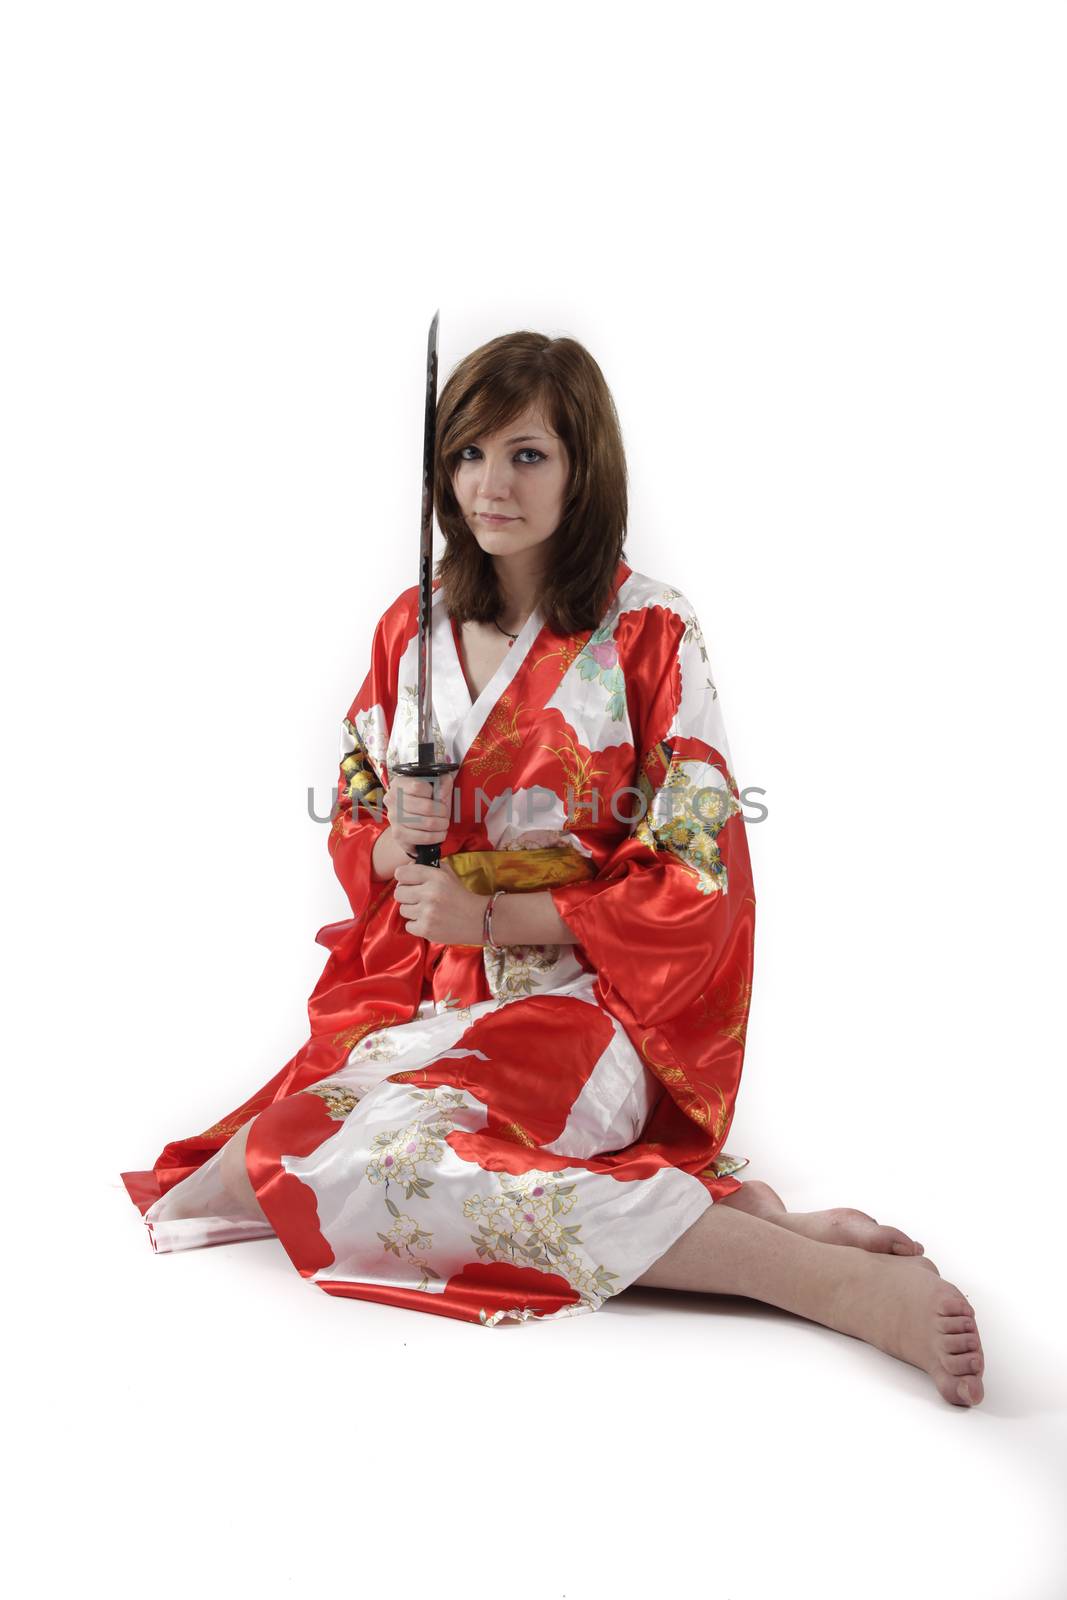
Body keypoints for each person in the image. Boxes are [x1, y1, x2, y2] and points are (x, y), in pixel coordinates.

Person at [121, 330, 984, 1405]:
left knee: (386, 1164)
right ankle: (710, 1221)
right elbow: (355, 806)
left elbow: (694, 869)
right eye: (468, 454)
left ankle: (809, 1282)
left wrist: (492, 920)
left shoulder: (651, 630)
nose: (491, 484)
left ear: (582, 467)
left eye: (526, 455)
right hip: (427, 1003)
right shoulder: (413, 627)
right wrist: (396, 836)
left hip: (590, 1010)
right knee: (267, 1159)